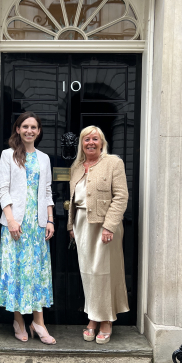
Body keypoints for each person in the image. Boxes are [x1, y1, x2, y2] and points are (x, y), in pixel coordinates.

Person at [0, 111, 56, 345]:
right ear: (18, 129)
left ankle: (38, 322)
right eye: (25, 126)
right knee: (18, 272)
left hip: (37, 225)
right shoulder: (8, 155)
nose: (29, 131)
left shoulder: (44, 159)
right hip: (16, 225)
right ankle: (19, 320)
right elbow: (3, 189)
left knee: (37, 273)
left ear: (39, 132)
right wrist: (10, 220)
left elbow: (48, 191)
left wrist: (50, 219)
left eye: (34, 127)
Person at [68, 126, 129, 344]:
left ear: (102, 142)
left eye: (95, 139)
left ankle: (106, 321)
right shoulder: (76, 166)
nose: (90, 142)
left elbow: (121, 196)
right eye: (86, 139)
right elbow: (72, 200)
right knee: (88, 273)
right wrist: (70, 227)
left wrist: (109, 226)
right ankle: (92, 316)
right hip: (82, 224)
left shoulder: (114, 163)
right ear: (81, 144)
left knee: (104, 273)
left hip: (104, 225)